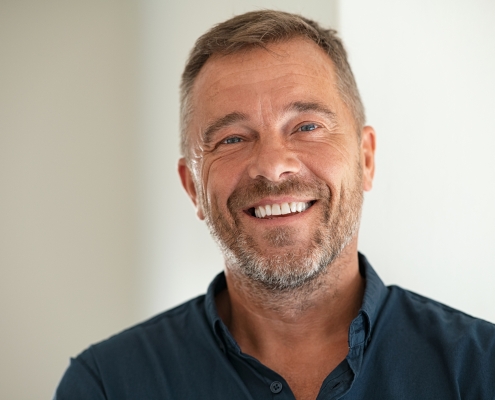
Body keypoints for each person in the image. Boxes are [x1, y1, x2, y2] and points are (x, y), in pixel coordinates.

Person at [54, 10, 495, 400]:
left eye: (306, 126)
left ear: (365, 159)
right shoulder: (108, 386)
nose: (271, 166)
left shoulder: (480, 370)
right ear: (193, 189)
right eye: (231, 139)